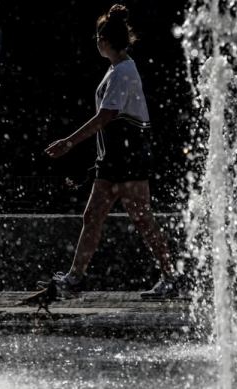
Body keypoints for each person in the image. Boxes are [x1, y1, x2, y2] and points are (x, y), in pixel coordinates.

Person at [44, 4, 181, 299]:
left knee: (140, 218)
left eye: (97, 37)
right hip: (116, 158)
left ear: (105, 41)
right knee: (94, 216)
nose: (96, 42)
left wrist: (68, 143)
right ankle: (76, 278)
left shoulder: (124, 71)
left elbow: (107, 115)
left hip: (126, 158)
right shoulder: (117, 69)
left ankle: (170, 276)